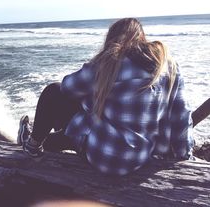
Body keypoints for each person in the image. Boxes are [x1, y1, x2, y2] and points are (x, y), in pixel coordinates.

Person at [17, 18, 194, 176]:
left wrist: (90, 94)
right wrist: (184, 156)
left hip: (103, 158)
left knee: (53, 92)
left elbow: (68, 88)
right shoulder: (168, 66)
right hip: (141, 158)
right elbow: (181, 115)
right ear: (143, 38)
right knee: (83, 119)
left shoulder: (107, 63)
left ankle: (32, 145)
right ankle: (46, 142)